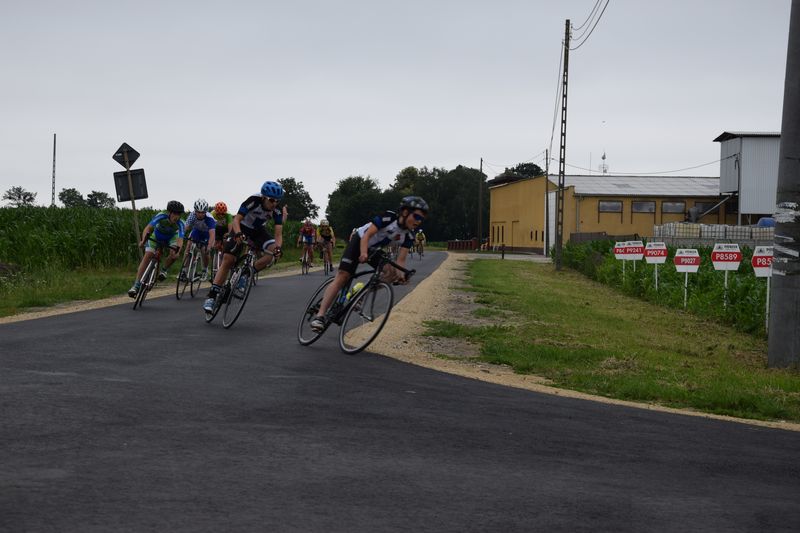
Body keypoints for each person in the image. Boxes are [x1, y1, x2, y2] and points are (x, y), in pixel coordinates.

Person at [309, 196, 428, 332]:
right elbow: (367, 236)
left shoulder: (409, 236)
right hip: (359, 241)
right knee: (343, 276)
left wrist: (401, 276)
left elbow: (400, 260)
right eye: (417, 217)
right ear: (405, 212)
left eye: (422, 219)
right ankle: (320, 316)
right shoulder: (388, 218)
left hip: (374, 250)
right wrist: (363, 253)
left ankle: (360, 295)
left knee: (391, 273)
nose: (419, 222)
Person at [202, 181, 285, 314]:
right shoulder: (253, 200)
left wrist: (278, 248)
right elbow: (236, 220)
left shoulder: (277, 210)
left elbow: (278, 234)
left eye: (277, 201)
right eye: (271, 200)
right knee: (228, 259)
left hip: (258, 231)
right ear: (264, 197)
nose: (274, 203)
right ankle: (211, 296)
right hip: (241, 228)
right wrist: (238, 233)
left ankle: (245, 276)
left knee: (271, 255)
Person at [128, 200, 185, 297]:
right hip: (157, 236)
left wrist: (178, 251)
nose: (176, 217)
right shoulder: (161, 215)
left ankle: (164, 270)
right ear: (169, 212)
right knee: (148, 255)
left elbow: (180, 239)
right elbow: (148, 228)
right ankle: (136, 285)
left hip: (171, 238)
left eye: (178, 214)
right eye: (174, 214)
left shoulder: (181, 223)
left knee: (174, 254)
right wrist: (143, 241)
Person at [180, 198, 216, 281]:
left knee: (205, 250)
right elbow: (186, 227)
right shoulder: (192, 215)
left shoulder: (209, 218)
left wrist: (209, 246)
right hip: (197, 231)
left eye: (202, 212)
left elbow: (212, 234)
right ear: (195, 211)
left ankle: (205, 270)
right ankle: (184, 270)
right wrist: (181, 236)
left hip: (207, 233)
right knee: (188, 246)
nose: (200, 214)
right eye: (198, 212)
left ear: (205, 212)